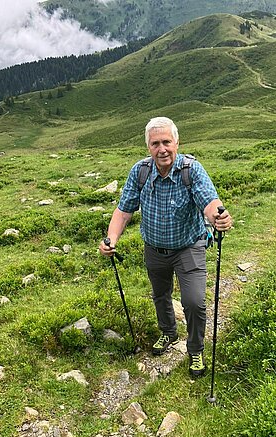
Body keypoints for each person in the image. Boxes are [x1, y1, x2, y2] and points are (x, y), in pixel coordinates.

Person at [99, 117, 232, 377]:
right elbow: (124, 211)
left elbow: (209, 201)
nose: (162, 149)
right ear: (148, 146)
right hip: (154, 249)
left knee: (194, 302)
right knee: (160, 295)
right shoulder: (141, 171)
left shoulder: (191, 170)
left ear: (177, 143)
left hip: (188, 247)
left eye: (167, 142)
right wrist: (111, 239)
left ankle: (195, 349)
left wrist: (219, 216)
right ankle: (168, 333)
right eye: (155, 143)